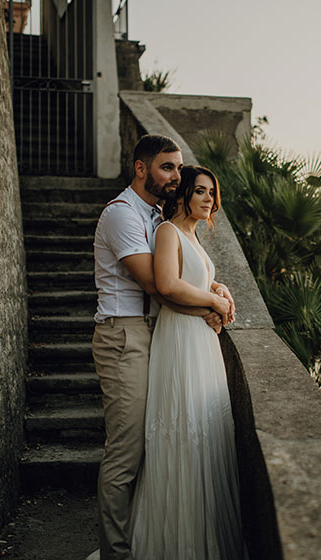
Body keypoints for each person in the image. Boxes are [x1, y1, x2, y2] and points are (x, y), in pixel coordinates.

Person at [91, 135, 233, 560]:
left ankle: (154, 535)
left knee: (157, 442)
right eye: (168, 167)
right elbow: (159, 285)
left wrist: (213, 289)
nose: (177, 176)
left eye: (178, 168)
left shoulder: (156, 217)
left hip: (155, 334)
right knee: (127, 450)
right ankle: (117, 553)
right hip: (124, 335)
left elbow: (181, 273)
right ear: (141, 168)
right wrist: (212, 302)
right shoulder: (122, 216)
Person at [128, 165, 247, 559]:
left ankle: (204, 536)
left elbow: (191, 277)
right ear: (182, 196)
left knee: (206, 430)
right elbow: (167, 283)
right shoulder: (168, 231)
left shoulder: (194, 236)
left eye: (212, 193)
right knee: (183, 428)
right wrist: (214, 301)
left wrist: (215, 285)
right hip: (179, 339)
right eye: (201, 191)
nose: (209, 199)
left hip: (200, 340)